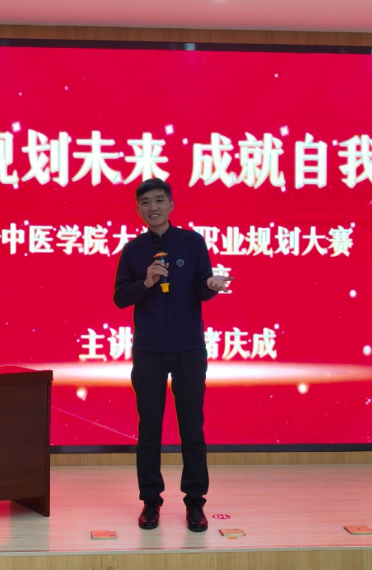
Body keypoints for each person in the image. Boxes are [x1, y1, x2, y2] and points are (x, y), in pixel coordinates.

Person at [113, 177, 232, 532]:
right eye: (145, 202)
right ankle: (150, 502)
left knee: (191, 427)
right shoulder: (133, 251)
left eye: (159, 200)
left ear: (171, 204)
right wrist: (147, 282)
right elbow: (120, 298)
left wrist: (211, 286)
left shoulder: (192, 242)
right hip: (149, 348)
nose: (153, 207)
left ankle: (195, 503)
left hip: (188, 347)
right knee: (149, 428)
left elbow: (202, 287)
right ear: (138, 209)